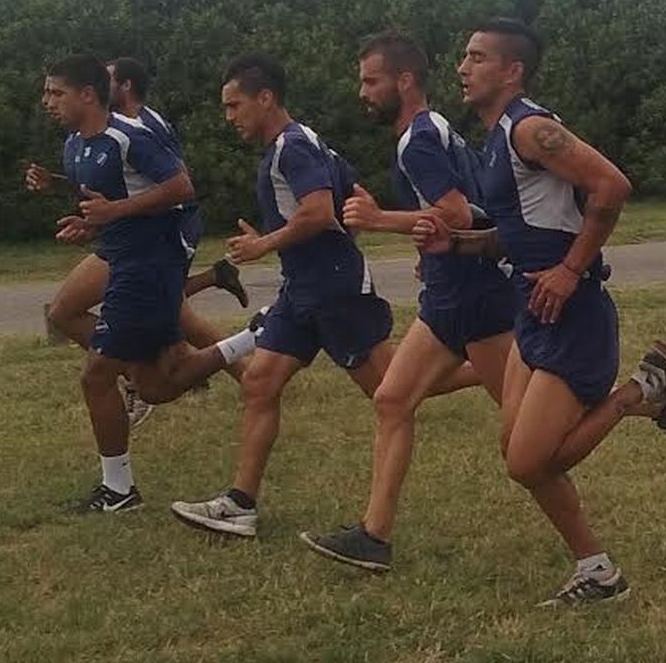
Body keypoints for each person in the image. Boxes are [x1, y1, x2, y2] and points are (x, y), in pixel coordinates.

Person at [456, 18, 666, 606]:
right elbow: (527, 230)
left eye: (477, 58)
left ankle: (641, 389)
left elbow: (612, 185)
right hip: (533, 309)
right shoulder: (496, 141)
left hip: (573, 311)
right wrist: (458, 243)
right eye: (464, 57)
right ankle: (597, 569)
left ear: (512, 71)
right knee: (517, 451)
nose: (463, 68)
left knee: (529, 461)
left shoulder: (530, 129)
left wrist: (570, 270)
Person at [300, 30, 514, 571]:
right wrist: (427, 245)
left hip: (474, 297)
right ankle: (374, 537)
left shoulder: (416, 140)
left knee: (533, 430)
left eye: (371, 81)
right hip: (453, 290)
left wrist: (379, 221)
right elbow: (466, 212)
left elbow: (458, 213)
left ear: (404, 80)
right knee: (393, 399)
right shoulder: (434, 127)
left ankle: (638, 397)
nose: (363, 92)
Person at [169, 52, 394, 538]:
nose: (229, 117)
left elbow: (318, 212)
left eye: (235, 106)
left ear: (265, 98)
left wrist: (261, 245)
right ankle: (240, 504)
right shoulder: (297, 145)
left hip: (334, 289)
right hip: (302, 291)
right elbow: (351, 193)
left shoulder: (292, 147)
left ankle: (493, 369)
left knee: (395, 393)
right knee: (259, 384)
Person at [29, 53, 257, 512]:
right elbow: (105, 199)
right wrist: (85, 223)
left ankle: (119, 492)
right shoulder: (75, 144)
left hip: (150, 261)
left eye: (56, 93)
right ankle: (253, 337)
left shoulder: (131, 135)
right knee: (152, 382)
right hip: (120, 252)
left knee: (97, 377)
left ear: (88, 95)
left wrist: (113, 214)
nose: (46, 101)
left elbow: (181, 188)